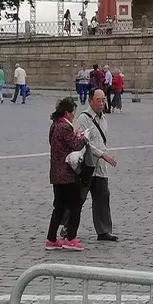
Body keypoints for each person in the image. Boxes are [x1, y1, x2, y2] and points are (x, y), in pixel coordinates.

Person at [76, 88, 120, 242]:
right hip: (86, 166)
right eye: (98, 100)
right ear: (90, 101)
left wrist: (104, 155)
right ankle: (67, 227)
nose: (102, 103)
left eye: (103, 100)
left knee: (102, 197)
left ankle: (103, 231)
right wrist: (103, 154)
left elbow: (102, 141)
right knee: (78, 198)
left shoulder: (104, 118)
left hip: (100, 167)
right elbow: (83, 142)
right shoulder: (83, 118)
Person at [47, 97, 86, 250]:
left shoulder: (55, 125)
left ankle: (51, 238)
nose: (74, 116)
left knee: (59, 207)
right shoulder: (65, 127)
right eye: (73, 113)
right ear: (67, 113)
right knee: (75, 205)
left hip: (56, 173)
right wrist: (83, 137)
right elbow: (76, 145)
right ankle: (71, 238)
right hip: (67, 174)